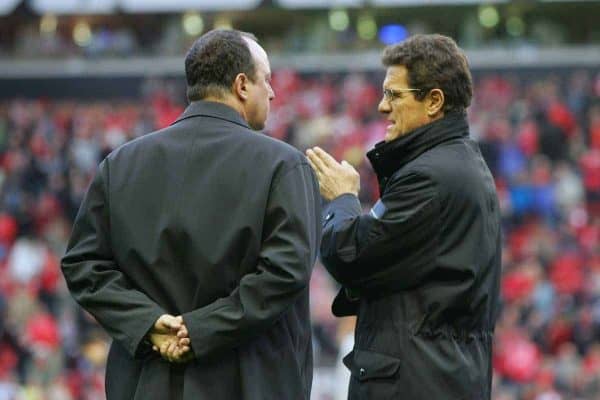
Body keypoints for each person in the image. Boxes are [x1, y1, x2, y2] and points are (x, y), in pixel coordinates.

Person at [61, 29, 321, 400]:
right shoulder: (284, 165)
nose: (274, 92)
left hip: (146, 381)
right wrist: (198, 330)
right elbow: (285, 272)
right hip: (250, 382)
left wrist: (147, 323)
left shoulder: (120, 164)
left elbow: (83, 265)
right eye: (267, 79)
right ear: (242, 85)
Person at [306, 34, 501, 399]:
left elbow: (350, 256)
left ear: (434, 101)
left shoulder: (430, 176)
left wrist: (343, 199)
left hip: (416, 382)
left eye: (394, 95)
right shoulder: (460, 164)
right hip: (440, 375)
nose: (382, 106)